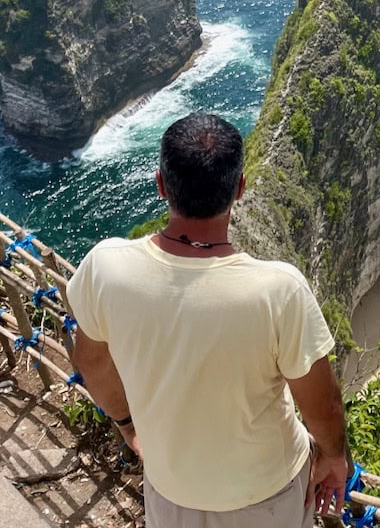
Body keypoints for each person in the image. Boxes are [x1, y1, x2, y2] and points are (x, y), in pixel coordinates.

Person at [67, 112, 348, 528]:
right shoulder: (277, 290)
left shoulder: (104, 268)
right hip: (266, 494)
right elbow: (321, 406)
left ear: (161, 184)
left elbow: (90, 362)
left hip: (170, 489)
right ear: (239, 189)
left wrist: (127, 426)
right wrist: (334, 456)